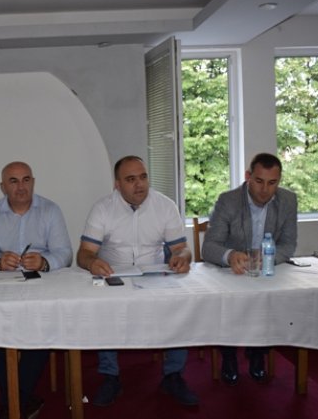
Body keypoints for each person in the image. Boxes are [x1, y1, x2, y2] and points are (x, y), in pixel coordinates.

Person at [76, 155, 199, 407]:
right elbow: (84, 253)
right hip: (114, 275)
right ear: (117, 184)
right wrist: (92, 263)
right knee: (103, 308)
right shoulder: (103, 208)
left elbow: (182, 249)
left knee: (180, 305)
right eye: (131, 179)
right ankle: (110, 376)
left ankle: (173, 375)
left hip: (155, 275)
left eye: (143, 177)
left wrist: (182, 258)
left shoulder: (165, 206)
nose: (139, 184)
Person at [0, 161, 73, 419]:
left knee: (44, 326)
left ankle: (13, 399)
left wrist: (45, 262)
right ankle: (22, 397)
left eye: (26, 180)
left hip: (42, 285)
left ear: (33, 182)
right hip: (2, 288)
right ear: (3, 187)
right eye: (13, 181)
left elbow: (65, 253)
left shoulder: (50, 210)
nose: (21, 187)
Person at [202, 152, 297, 385]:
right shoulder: (228, 200)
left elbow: (288, 245)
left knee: (273, 300)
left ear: (279, 181)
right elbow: (209, 247)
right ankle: (229, 355)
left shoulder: (288, 201)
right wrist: (230, 255)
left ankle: (258, 353)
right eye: (259, 181)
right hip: (231, 273)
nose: (265, 189)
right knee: (227, 302)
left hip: (265, 271)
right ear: (248, 177)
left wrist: (269, 258)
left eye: (272, 183)